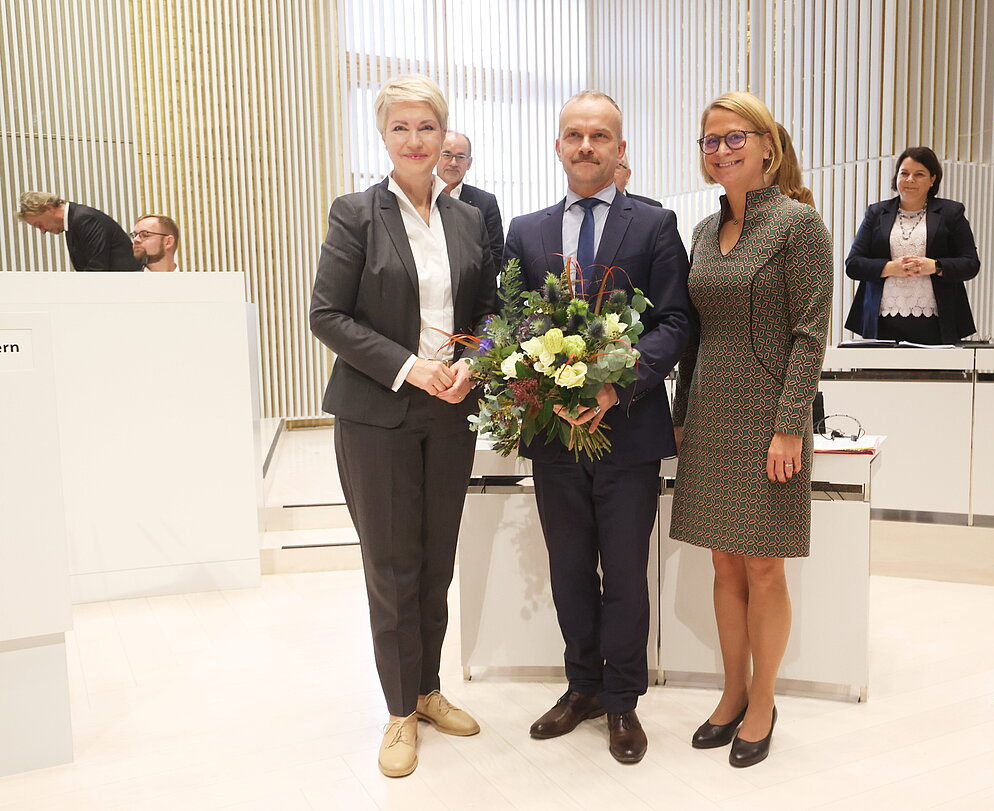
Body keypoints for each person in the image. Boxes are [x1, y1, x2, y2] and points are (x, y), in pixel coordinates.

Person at [309, 74, 497, 779]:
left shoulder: (468, 219)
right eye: (401, 129)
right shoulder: (356, 213)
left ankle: (427, 689)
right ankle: (397, 711)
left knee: (437, 557)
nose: (415, 141)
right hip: (378, 411)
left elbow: (483, 314)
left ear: (443, 135)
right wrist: (410, 368)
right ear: (383, 136)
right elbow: (327, 314)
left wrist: (471, 365)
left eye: (427, 128)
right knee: (392, 566)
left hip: (452, 409)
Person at [503, 90, 692, 764]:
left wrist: (618, 382)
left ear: (619, 150)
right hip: (554, 431)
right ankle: (581, 686)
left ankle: (622, 701)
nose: (587, 146)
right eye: (574, 135)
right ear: (558, 147)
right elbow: (513, 319)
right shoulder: (525, 230)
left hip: (630, 431)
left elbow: (675, 321)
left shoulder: (654, 224)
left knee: (626, 573)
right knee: (568, 570)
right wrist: (538, 375)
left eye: (600, 136)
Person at [671, 92, 833, 768]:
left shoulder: (799, 225)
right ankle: (731, 692)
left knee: (764, 564)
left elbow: (810, 334)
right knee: (722, 560)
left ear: (768, 145)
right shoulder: (705, 233)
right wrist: (680, 415)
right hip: (710, 412)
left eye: (735, 137)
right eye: (710, 141)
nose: (722, 149)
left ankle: (763, 699)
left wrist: (790, 426)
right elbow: (694, 333)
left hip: (771, 417)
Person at [844, 146, 980, 344]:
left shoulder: (951, 213)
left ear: (933, 179)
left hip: (936, 321)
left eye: (919, 174)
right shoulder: (875, 213)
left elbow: (970, 263)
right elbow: (853, 264)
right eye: (904, 173)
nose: (910, 180)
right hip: (881, 319)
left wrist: (934, 266)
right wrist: (891, 268)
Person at [16, 192, 140, 272]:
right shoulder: (73, 220)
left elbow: (96, 269)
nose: (43, 231)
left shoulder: (84, 219)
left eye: (39, 225)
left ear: (49, 208)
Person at [436, 131, 504, 269]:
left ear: (469, 163)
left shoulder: (486, 202)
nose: (453, 162)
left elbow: (495, 256)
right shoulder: (420, 198)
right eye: (447, 155)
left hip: (473, 288)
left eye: (460, 156)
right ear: (436, 157)